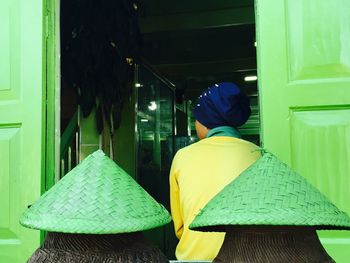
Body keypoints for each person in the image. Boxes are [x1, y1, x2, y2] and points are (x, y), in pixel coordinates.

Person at [169, 82, 261, 260]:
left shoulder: (183, 156)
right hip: (246, 257)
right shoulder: (258, 155)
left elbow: (180, 227)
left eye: (196, 118)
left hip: (194, 257)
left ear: (205, 122)